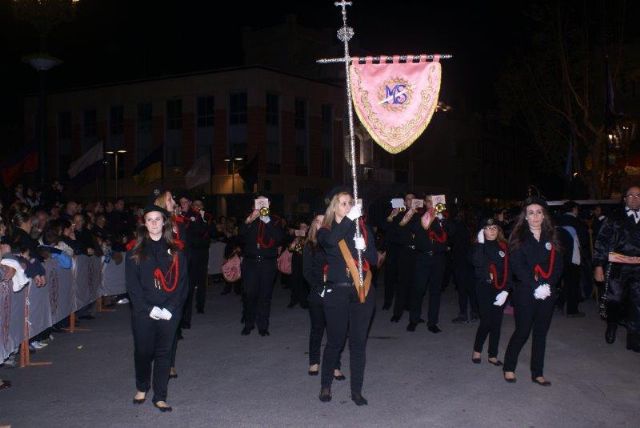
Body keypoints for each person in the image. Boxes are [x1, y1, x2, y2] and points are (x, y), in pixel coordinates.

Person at [125, 205, 188, 412]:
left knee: (164, 352)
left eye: (157, 219)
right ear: (144, 223)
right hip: (144, 311)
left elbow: (183, 283)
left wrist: (171, 308)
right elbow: (132, 286)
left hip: (170, 309)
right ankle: (142, 386)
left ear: (164, 222)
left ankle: (160, 396)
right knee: (143, 351)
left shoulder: (176, 248)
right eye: (149, 220)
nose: (153, 223)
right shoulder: (135, 250)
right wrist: (147, 308)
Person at [317, 189, 377, 406]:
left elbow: (374, 259)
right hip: (337, 292)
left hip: (362, 289)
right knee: (335, 341)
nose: (348, 206)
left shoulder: (362, 229)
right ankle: (325, 384)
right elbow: (332, 242)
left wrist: (365, 248)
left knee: (359, 343)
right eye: (343, 203)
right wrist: (350, 221)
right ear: (334, 207)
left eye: (350, 203)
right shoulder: (326, 229)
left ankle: (357, 391)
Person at [502, 197, 564, 386]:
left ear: (544, 215)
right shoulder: (519, 237)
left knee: (541, 333)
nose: (535, 216)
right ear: (525, 217)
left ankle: (537, 372)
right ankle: (509, 367)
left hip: (547, 291)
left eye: (539, 212)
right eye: (531, 212)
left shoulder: (552, 236)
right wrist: (535, 285)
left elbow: (559, 264)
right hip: (525, 290)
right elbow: (517, 265)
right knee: (522, 331)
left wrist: (548, 285)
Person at [593, 186, 640, 352]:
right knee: (615, 300)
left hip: (639, 269)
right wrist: (598, 265)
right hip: (618, 267)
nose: (635, 198)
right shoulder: (614, 218)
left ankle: (634, 339)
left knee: (637, 303)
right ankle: (611, 325)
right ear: (625, 199)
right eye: (631, 195)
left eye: (638, 195)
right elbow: (602, 242)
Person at [302, 213, 345, 380]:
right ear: (314, 225)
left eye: (324, 221)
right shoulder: (310, 245)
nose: (320, 224)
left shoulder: (335, 244)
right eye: (318, 222)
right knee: (317, 329)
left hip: (335, 293)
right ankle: (314, 361)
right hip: (317, 293)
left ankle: (335, 365)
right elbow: (307, 272)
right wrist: (320, 289)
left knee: (335, 332)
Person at [239, 196, 284, 336]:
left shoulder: (275, 220)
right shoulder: (250, 218)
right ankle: (248, 323)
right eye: (258, 202)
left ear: (269, 204)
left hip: (267, 262)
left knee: (265, 295)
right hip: (251, 262)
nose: (261, 204)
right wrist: (250, 220)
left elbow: (279, 238)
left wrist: (267, 220)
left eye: (264, 202)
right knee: (249, 294)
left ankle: (263, 326)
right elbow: (240, 236)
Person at [471, 218, 510, 366]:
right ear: (482, 231)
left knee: (497, 322)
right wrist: (481, 244)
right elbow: (478, 262)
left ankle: (492, 354)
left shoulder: (503, 246)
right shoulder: (478, 246)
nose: (492, 230)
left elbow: (509, 269)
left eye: (494, 227)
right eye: (488, 228)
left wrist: (506, 290)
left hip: (500, 288)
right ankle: (477, 350)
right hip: (484, 287)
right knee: (486, 321)